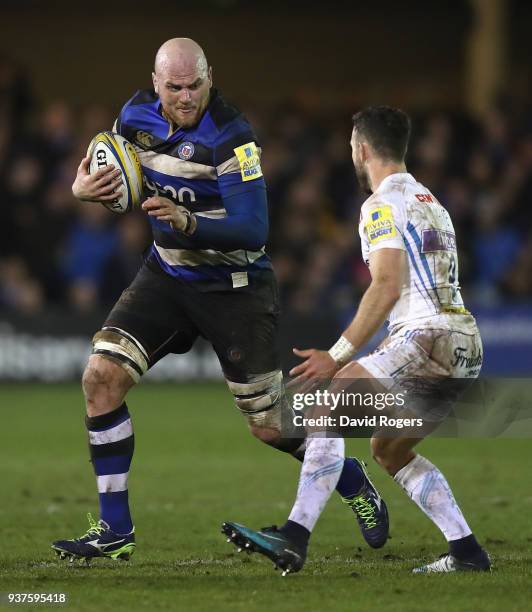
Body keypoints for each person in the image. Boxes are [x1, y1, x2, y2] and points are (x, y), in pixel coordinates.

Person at [51, 39, 389, 563]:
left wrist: (190, 222)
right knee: (100, 377)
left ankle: (350, 477)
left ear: (211, 77)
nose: (185, 97)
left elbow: (255, 228)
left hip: (235, 287)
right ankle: (115, 530)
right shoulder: (135, 114)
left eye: (195, 86)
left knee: (269, 425)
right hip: (166, 275)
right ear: (156, 82)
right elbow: (107, 166)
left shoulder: (233, 136)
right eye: (174, 87)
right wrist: (81, 187)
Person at [223, 106, 491, 575]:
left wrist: (338, 354)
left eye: (351, 146)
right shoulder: (433, 202)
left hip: (427, 337)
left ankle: (294, 536)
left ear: (362, 149)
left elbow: (386, 285)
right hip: (465, 346)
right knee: (389, 450)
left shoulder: (379, 204)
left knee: (330, 397)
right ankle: (467, 552)